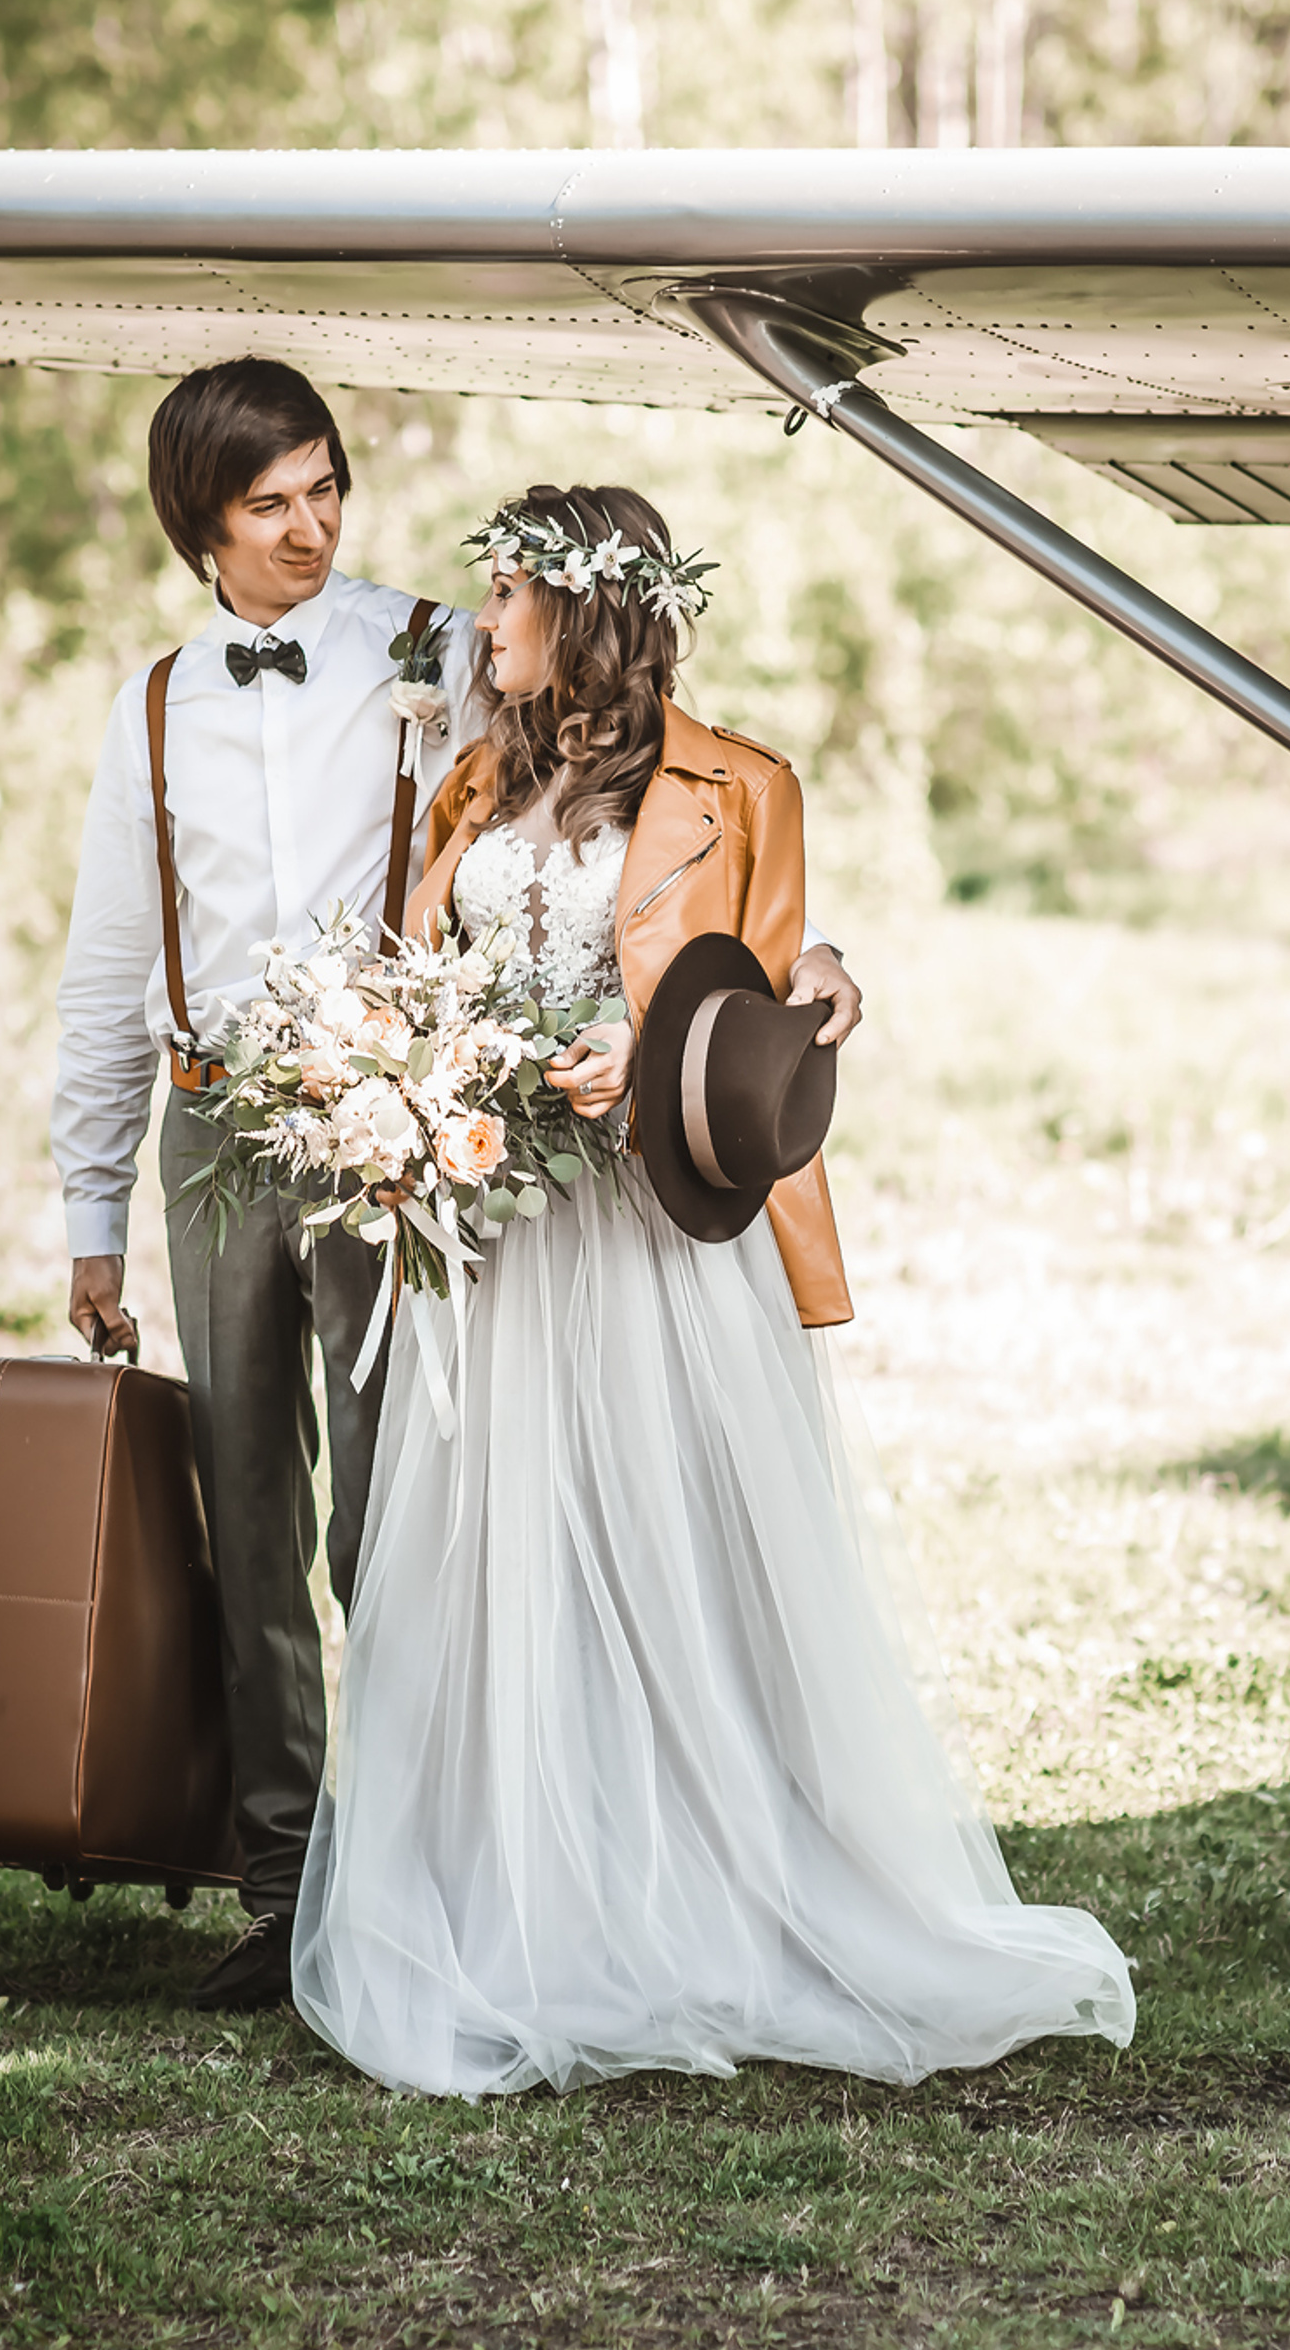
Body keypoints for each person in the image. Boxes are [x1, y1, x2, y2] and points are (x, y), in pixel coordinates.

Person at [290, 483, 1136, 2094]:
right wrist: (406, 1080)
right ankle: (518, 1908)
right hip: (500, 1238)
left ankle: (712, 1897)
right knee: (502, 1563)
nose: (486, 625)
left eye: (511, 599)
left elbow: (771, 981)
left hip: (650, 1236)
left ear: (589, 614)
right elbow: (423, 967)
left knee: (677, 1552)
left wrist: (809, 991)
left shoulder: (742, 785)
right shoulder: (468, 778)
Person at [51, 372, 865, 2014]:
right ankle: (284, 1892)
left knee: (406, 1519)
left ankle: (418, 1864)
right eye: (271, 502)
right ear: (199, 523)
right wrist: (88, 1212)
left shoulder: (435, 646)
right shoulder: (153, 711)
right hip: (218, 1136)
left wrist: (805, 966)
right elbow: (103, 975)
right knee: (249, 1518)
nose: (314, 525)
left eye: (325, 489)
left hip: (405, 1137)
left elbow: (649, 819)